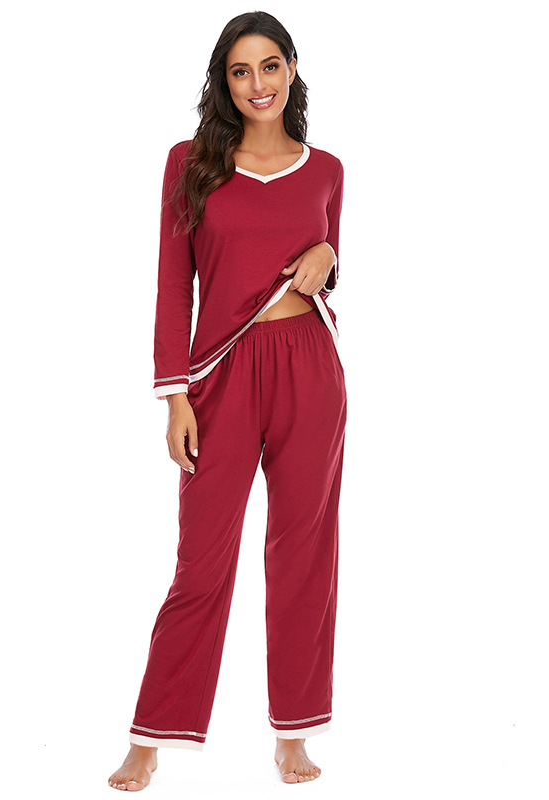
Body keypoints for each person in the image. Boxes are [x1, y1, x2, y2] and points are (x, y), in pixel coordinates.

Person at [108, 10, 346, 790]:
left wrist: (327, 252)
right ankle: (151, 733)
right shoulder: (190, 163)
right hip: (221, 375)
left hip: (310, 367)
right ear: (225, 81)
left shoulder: (326, 169)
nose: (257, 84)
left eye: (270, 66)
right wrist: (174, 395)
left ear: (291, 69)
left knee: (304, 552)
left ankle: (294, 733)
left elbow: (328, 259)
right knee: (201, 563)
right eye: (241, 71)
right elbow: (171, 283)